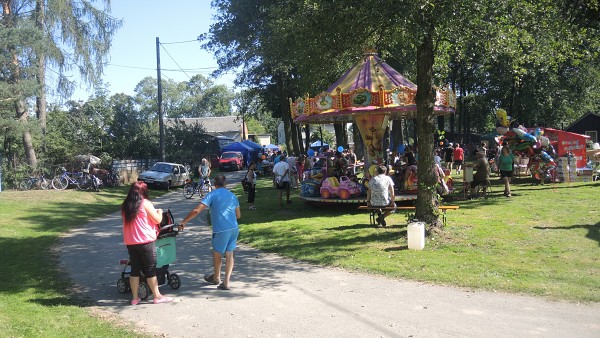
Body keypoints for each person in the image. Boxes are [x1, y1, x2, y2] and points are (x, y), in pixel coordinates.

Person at [179, 174, 241, 290]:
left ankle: (216, 278)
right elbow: (238, 215)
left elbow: (197, 210)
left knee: (217, 253)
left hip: (221, 230)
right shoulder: (233, 196)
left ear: (214, 184)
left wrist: (184, 221)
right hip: (234, 228)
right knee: (229, 253)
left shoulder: (212, 194)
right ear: (226, 184)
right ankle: (226, 281)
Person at [121, 181, 173, 305]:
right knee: (150, 269)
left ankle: (134, 298)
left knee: (135, 269)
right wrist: (159, 211)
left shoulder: (126, 206)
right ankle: (157, 296)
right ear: (143, 192)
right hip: (145, 241)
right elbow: (157, 219)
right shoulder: (144, 203)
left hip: (131, 242)